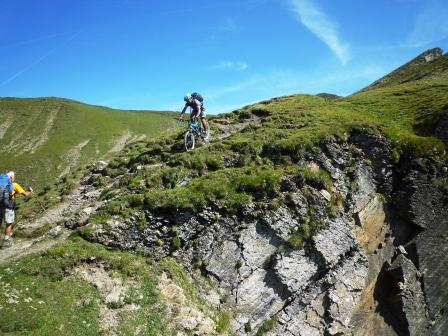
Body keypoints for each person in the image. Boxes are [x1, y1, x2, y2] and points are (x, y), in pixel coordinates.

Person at [1, 171, 33, 245]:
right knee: (9, 223)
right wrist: (30, 191)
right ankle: (7, 240)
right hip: (8, 206)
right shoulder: (14, 185)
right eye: (14, 177)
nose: (14, 178)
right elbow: (25, 194)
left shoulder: (1, 185)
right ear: (11, 177)